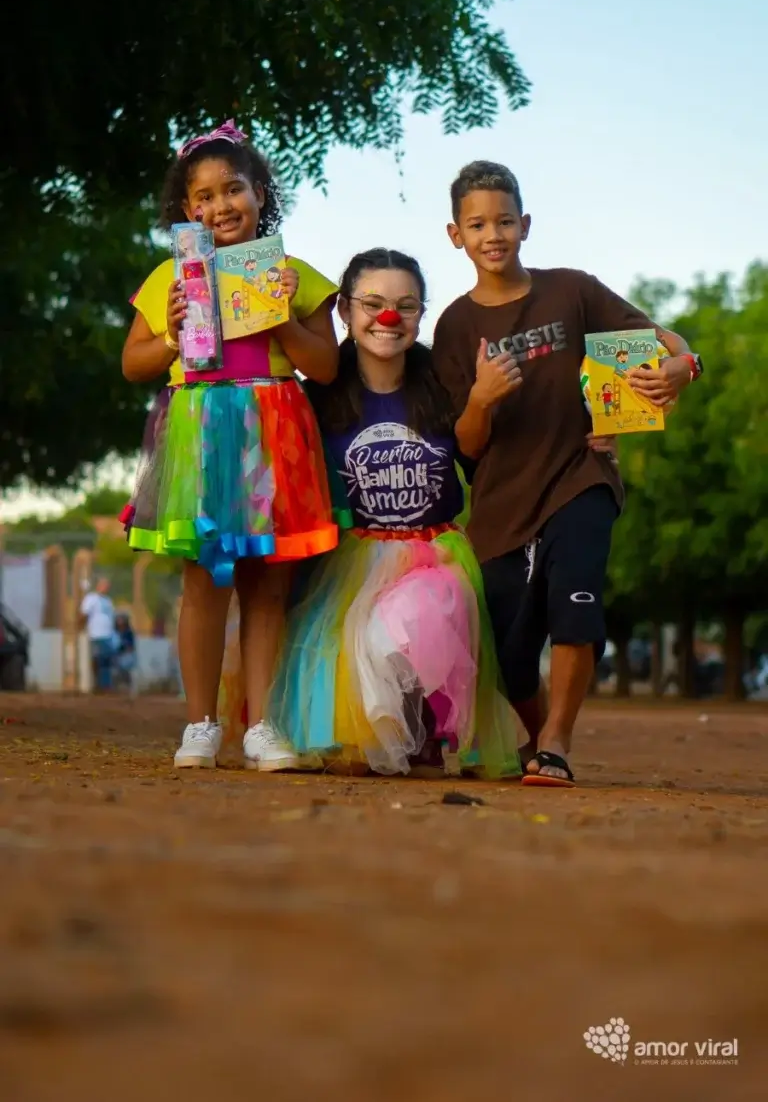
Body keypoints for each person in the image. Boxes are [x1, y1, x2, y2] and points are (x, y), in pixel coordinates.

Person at [431, 161, 703, 787]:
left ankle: (556, 740)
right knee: (507, 652)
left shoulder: (572, 291)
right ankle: (534, 735)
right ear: (456, 235)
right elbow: (466, 449)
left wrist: (685, 365)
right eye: (477, 224)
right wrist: (481, 396)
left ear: (525, 225)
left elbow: (658, 338)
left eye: (504, 220)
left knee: (575, 603)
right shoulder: (455, 327)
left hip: (582, 476)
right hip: (501, 501)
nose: (492, 233)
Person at [121, 121, 340, 771]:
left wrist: (284, 319)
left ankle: (262, 726)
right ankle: (199, 723)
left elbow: (325, 365)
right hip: (199, 433)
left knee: (268, 585)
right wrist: (170, 335)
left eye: (234, 189)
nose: (221, 206)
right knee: (204, 582)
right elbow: (132, 363)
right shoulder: (171, 276)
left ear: (260, 192)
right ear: (189, 210)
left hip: (274, 427)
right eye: (206, 196)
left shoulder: (292, 274)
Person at [263, 248, 520, 778]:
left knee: (409, 619)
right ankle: (380, 733)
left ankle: (421, 726)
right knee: (340, 659)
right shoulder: (317, 396)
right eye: (372, 304)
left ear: (421, 314)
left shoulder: (445, 388)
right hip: (347, 559)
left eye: (406, 306)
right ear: (345, 314)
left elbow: (488, 449)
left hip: (431, 555)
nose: (388, 318)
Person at [79, 578, 116, 692]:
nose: (106, 588)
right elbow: (84, 614)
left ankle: (104, 685)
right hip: (96, 634)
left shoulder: (108, 601)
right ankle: (99, 684)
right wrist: (80, 627)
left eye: (107, 586)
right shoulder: (91, 598)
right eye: (104, 585)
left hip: (108, 634)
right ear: (98, 586)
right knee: (98, 660)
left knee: (106, 661)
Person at [112, 613, 137, 691]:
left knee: (125, 665)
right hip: (116, 655)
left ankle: (128, 686)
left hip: (126, 655)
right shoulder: (114, 632)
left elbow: (131, 647)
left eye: (121, 620)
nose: (120, 622)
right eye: (118, 620)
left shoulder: (129, 633)